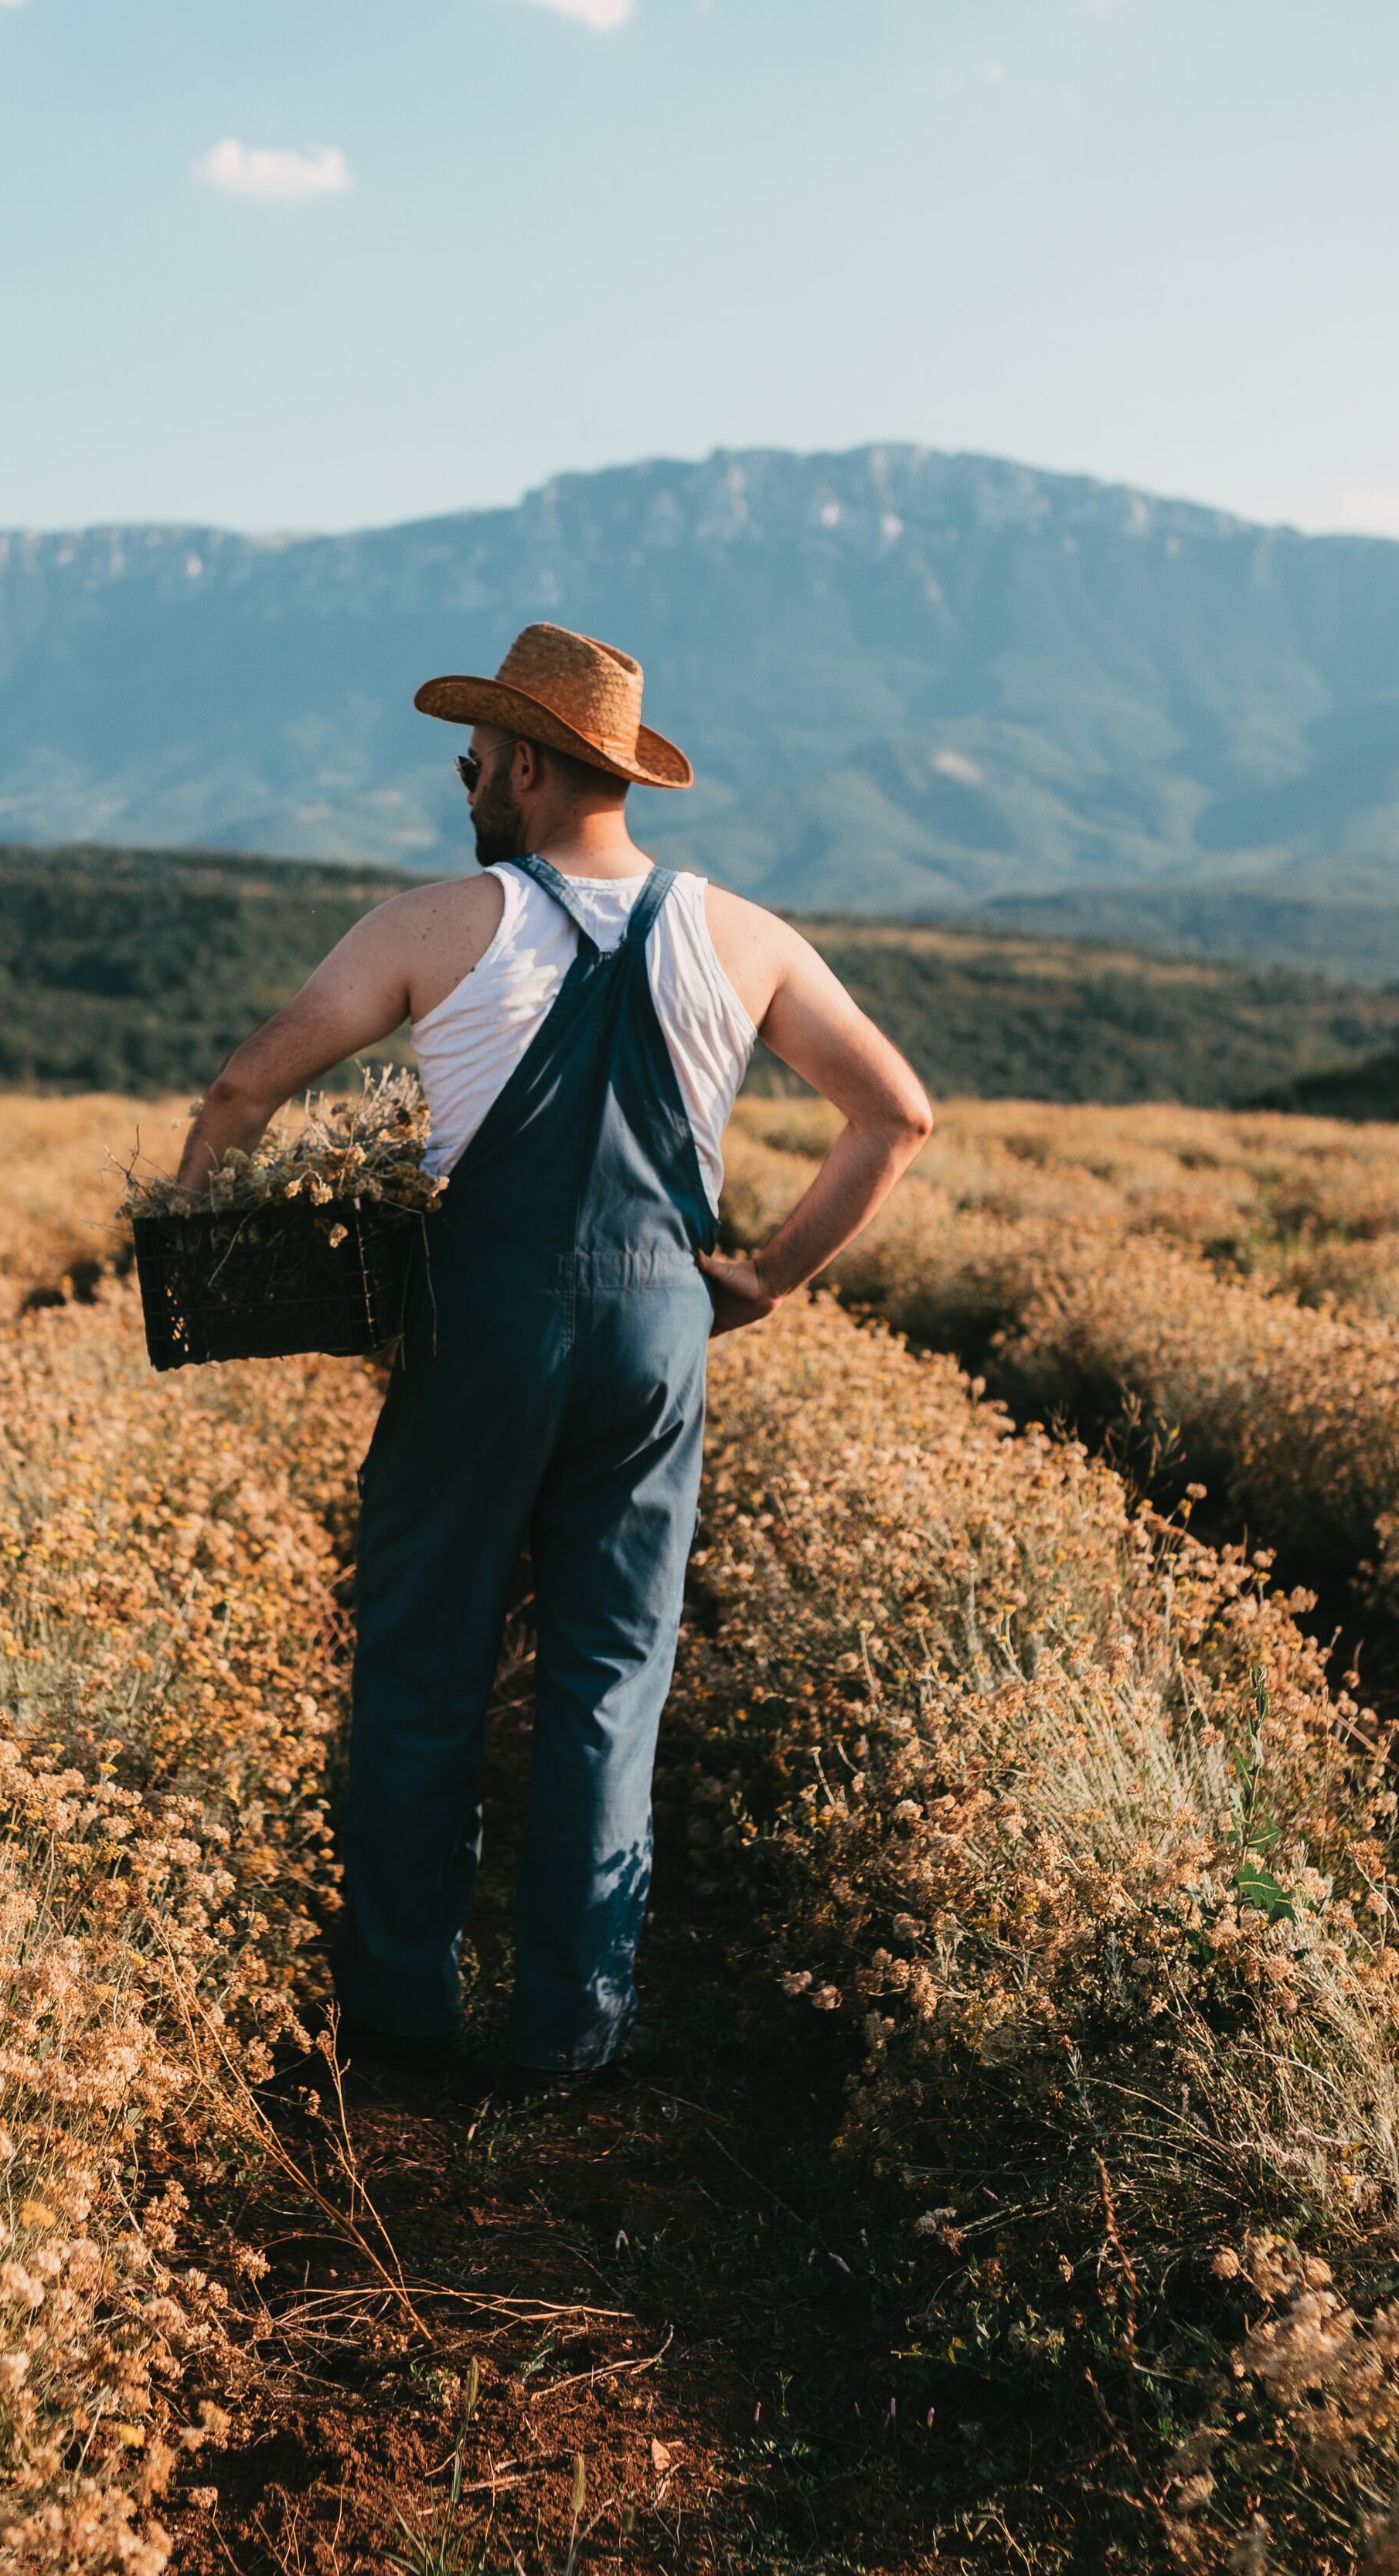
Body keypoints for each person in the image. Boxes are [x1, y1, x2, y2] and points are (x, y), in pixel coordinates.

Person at [175, 621, 934, 2083]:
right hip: (657, 1333)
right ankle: (572, 2031)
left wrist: (198, 1224)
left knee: (423, 1665)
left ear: (524, 762)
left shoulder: (432, 924)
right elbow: (895, 1115)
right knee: (608, 1675)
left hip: (479, 1328)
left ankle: (401, 2012)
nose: (463, 772)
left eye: (475, 754)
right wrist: (767, 1273)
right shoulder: (746, 935)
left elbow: (246, 1080)